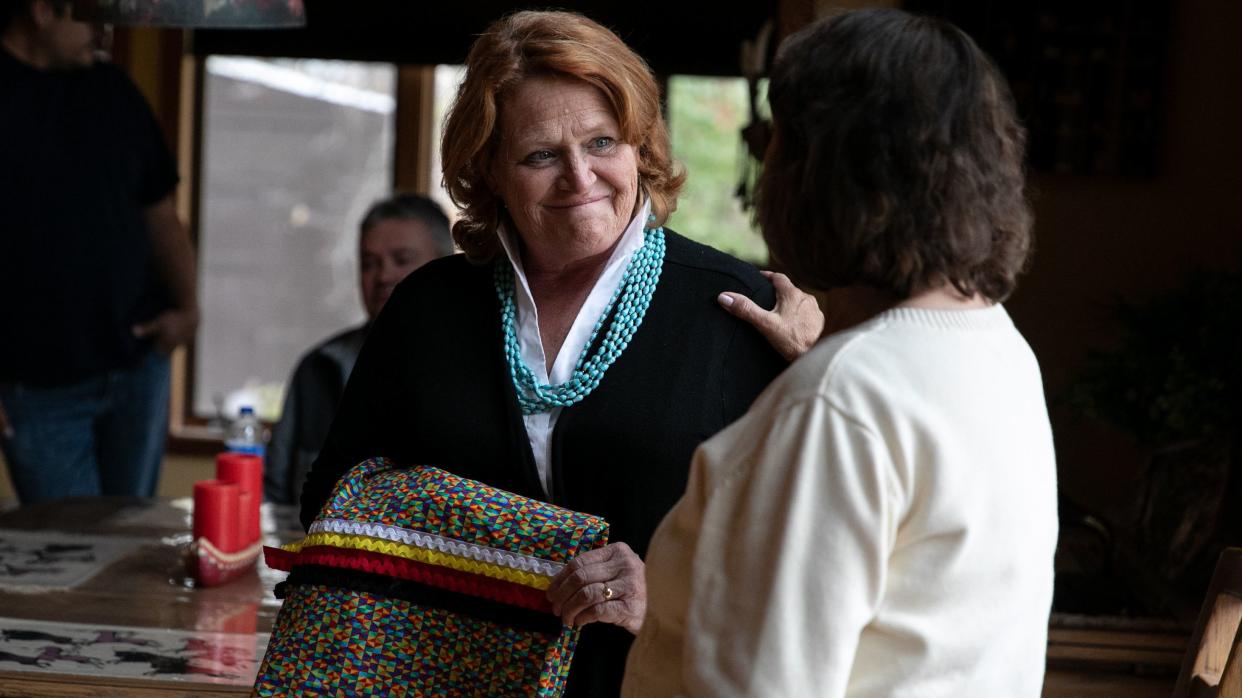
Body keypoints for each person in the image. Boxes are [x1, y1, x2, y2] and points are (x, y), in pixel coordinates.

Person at [298, 11, 808, 696]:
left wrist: (667, 592)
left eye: (603, 142)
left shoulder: (738, 308)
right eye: (541, 155)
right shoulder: (427, 307)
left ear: (640, 147)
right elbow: (332, 500)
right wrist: (517, 553)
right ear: (488, 171)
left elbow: (804, 547)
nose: (580, 177)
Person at [623, 9, 1058, 697]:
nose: (761, 163)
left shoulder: (841, 400)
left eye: (775, 141)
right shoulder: (999, 349)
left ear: (824, 175)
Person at [0, 0, 197, 502]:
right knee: (66, 555)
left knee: (133, 541)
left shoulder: (113, 91)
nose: (104, 28)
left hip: (137, 364)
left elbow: (161, 214)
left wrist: (188, 310)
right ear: (42, 11)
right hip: (37, 388)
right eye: (88, 14)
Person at [264, 193, 453, 504]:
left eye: (402, 260)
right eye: (369, 264)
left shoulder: (480, 367)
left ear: (444, 266)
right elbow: (273, 497)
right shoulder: (319, 367)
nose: (383, 276)